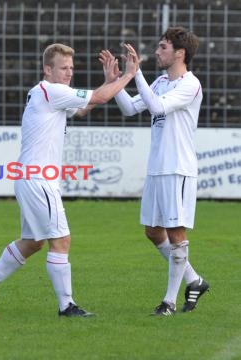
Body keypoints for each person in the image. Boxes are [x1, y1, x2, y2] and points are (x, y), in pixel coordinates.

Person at [0, 43, 139, 316]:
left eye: (71, 68)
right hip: (38, 179)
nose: (69, 72)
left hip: (29, 177)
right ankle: (67, 306)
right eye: (63, 68)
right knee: (61, 240)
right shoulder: (52, 90)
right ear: (48, 69)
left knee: (33, 242)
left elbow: (82, 108)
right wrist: (128, 76)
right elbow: (100, 98)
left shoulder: (47, 93)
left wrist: (109, 82)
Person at [101, 26, 209, 316]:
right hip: (157, 167)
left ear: (180, 53)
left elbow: (158, 108)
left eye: (163, 47)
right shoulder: (161, 81)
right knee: (153, 231)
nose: (157, 52)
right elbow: (130, 109)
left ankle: (169, 302)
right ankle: (194, 280)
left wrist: (135, 73)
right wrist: (116, 82)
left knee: (175, 232)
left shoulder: (190, 84)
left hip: (178, 168)